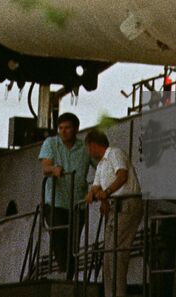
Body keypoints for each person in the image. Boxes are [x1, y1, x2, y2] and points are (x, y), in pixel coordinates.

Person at [85, 127, 142, 297]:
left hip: (126, 205)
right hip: (115, 208)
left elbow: (122, 175)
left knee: (117, 254)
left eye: (89, 147)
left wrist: (107, 192)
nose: (89, 151)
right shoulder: (101, 164)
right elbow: (96, 185)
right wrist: (94, 193)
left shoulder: (115, 153)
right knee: (109, 256)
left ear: (94, 145)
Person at [39, 111, 91, 277]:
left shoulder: (85, 148)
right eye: (60, 128)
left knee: (72, 245)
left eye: (67, 128)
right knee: (60, 238)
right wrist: (54, 169)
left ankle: (69, 277)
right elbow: (45, 166)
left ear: (76, 129)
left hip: (77, 204)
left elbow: (101, 164)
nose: (63, 131)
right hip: (55, 203)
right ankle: (66, 276)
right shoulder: (51, 143)